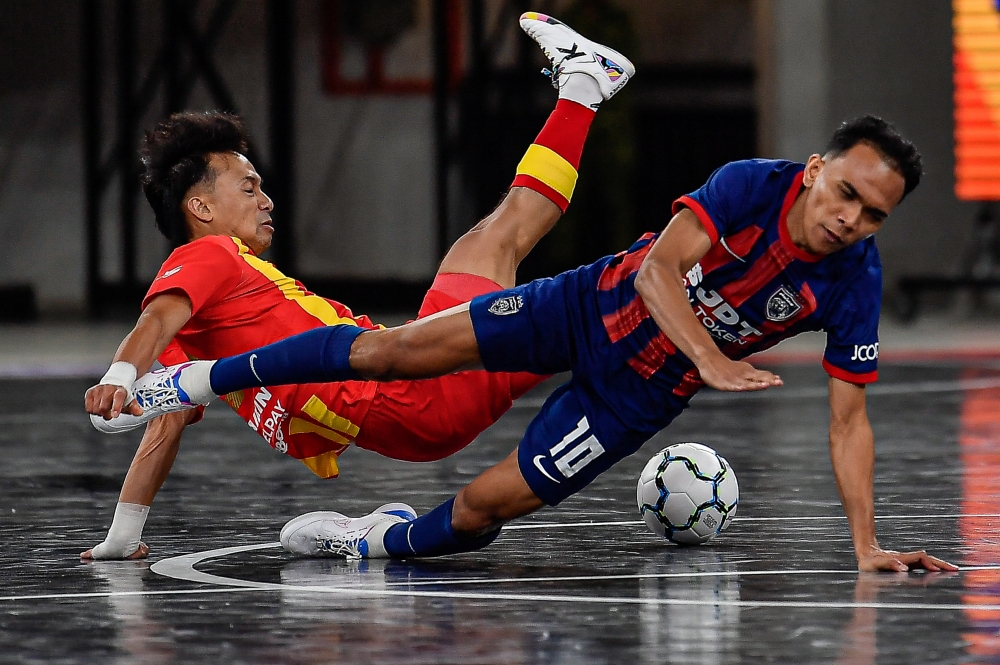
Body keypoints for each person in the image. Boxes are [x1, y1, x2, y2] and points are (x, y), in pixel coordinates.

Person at [141, 102, 960, 572]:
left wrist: (866, 546)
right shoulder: (753, 186)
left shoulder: (856, 278)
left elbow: (850, 418)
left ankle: (373, 538)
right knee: (396, 344)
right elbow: (655, 273)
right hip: (584, 304)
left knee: (480, 509)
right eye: (846, 193)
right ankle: (208, 377)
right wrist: (711, 356)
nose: (850, 219)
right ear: (816, 169)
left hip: (632, 395)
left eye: (873, 214)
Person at [81, 12, 635, 561]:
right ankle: (593, 106)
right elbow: (152, 334)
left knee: (503, 252)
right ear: (200, 207)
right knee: (559, 282)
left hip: (410, 387)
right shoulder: (208, 254)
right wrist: (117, 377)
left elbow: (164, 415)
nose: (266, 200)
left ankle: (587, 93)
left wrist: (124, 537)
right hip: (414, 392)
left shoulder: (203, 308)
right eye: (248, 188)